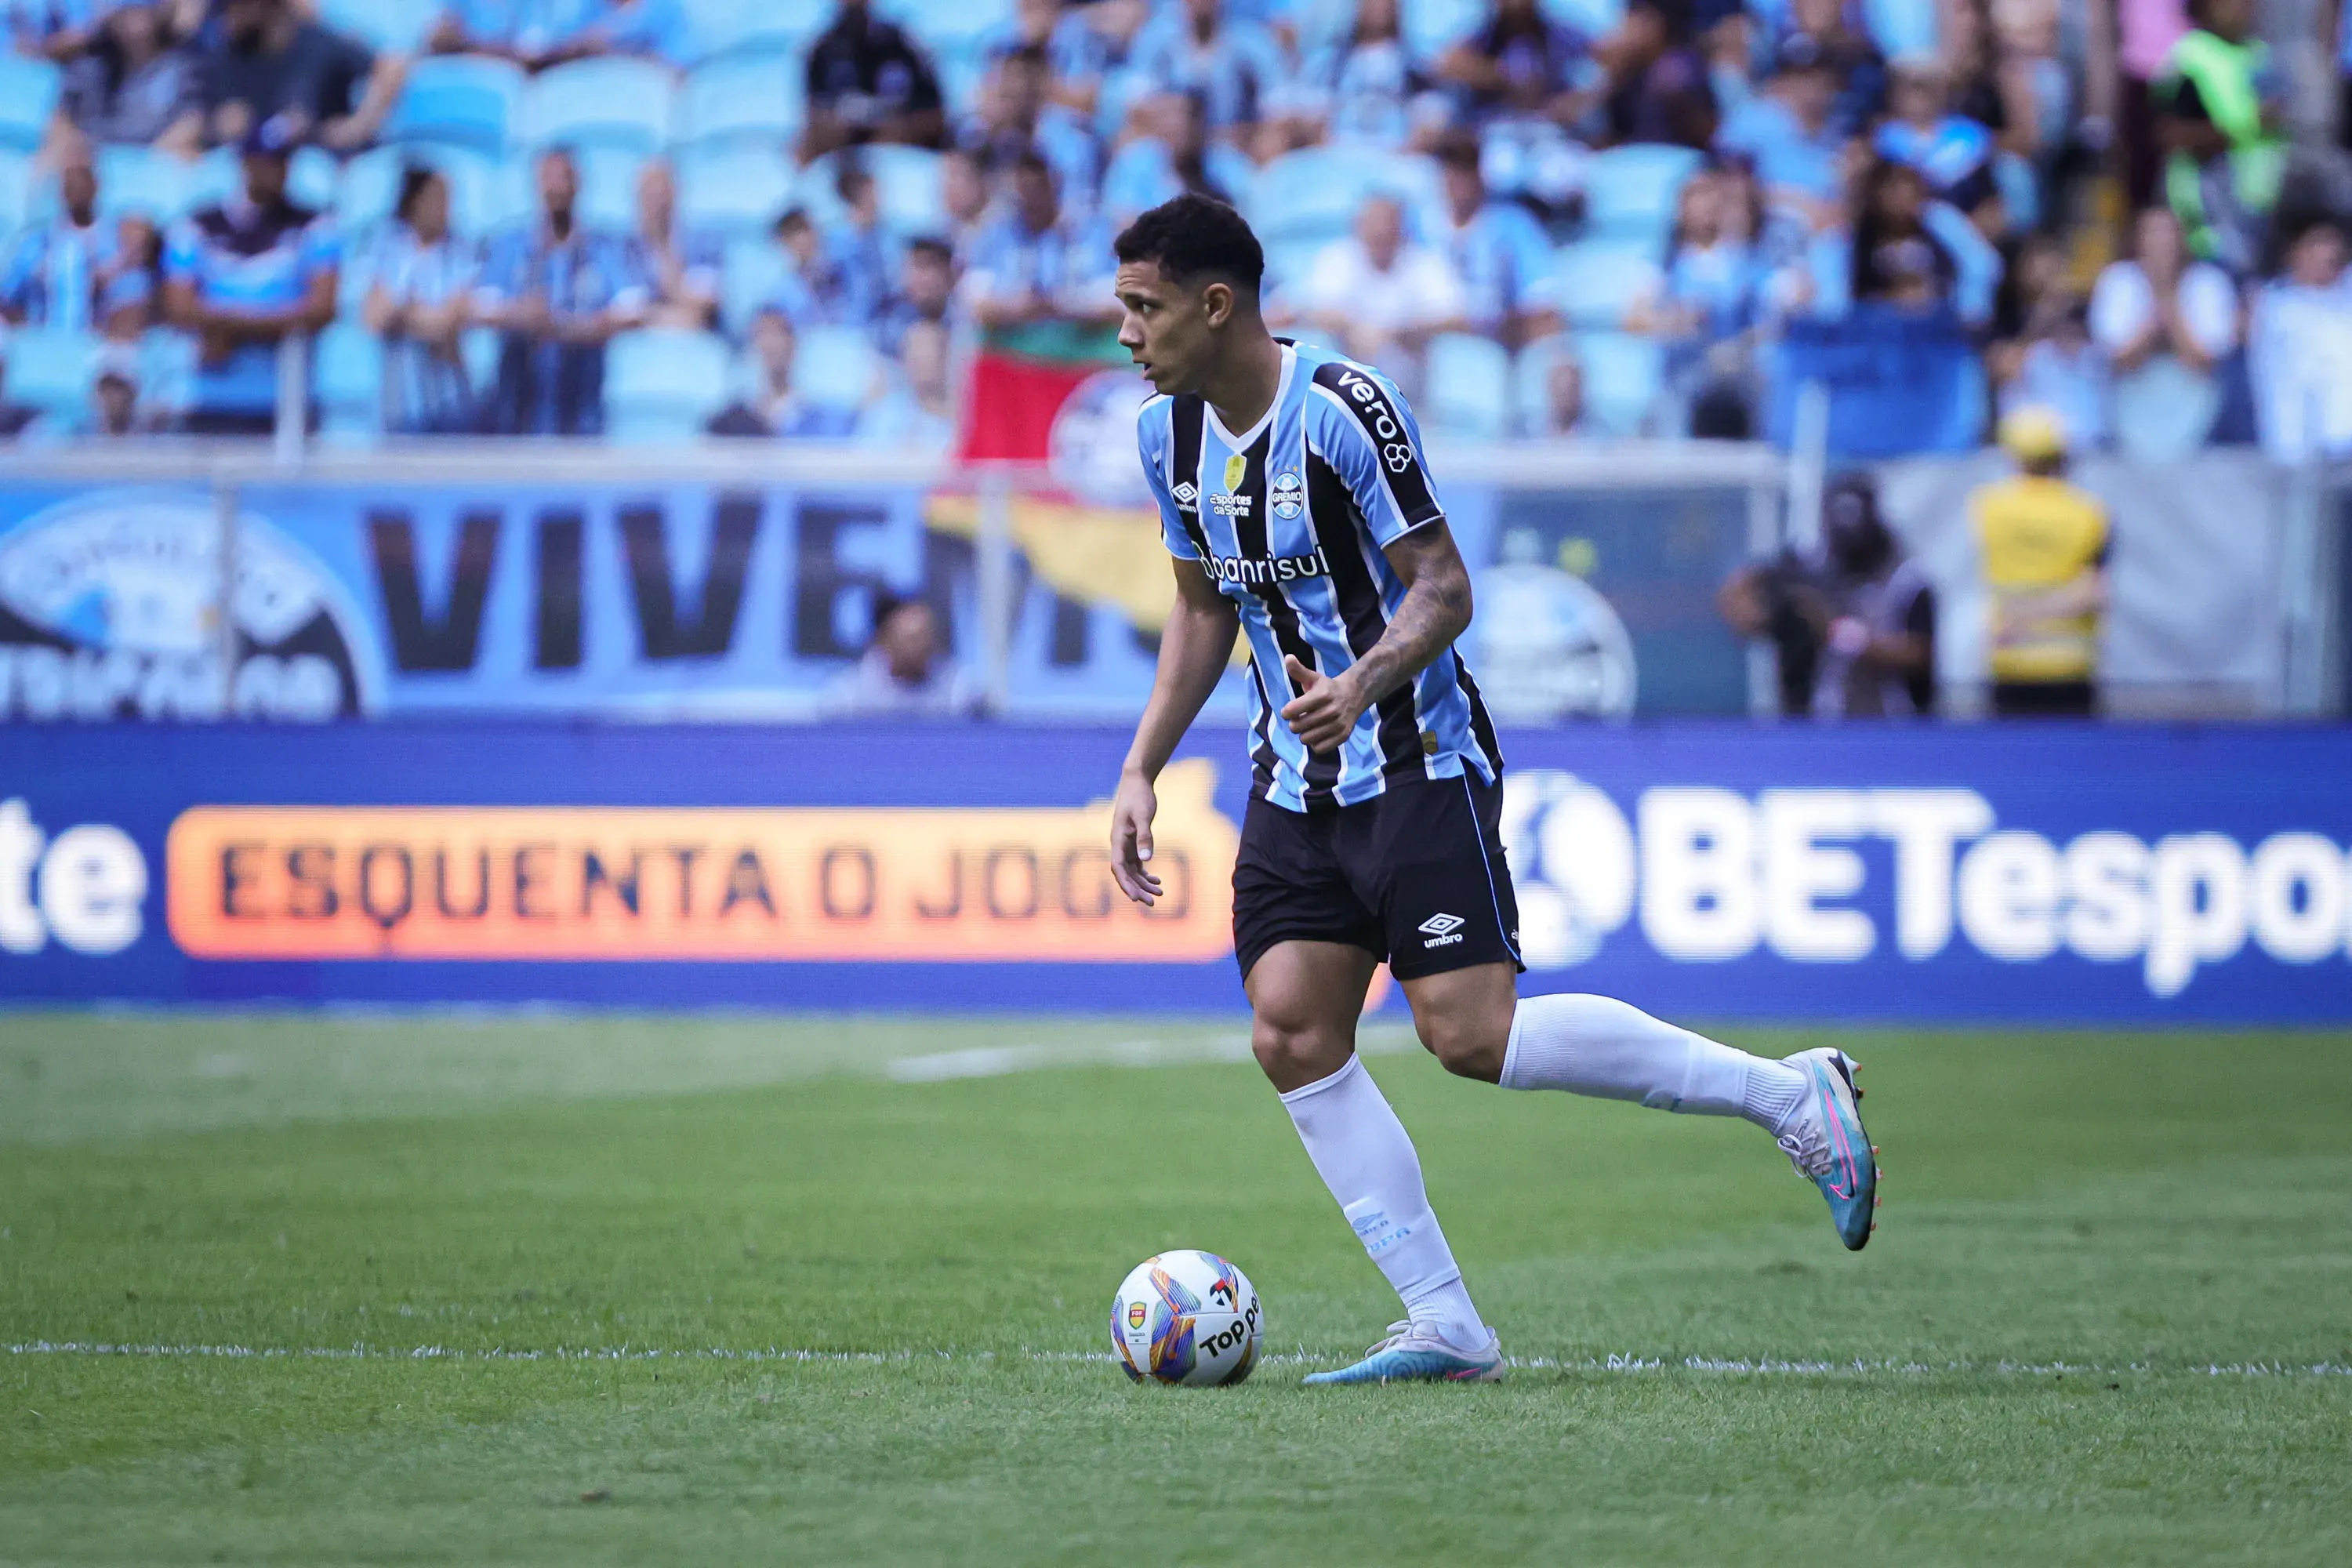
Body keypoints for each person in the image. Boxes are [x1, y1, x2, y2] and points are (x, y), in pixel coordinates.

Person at [1107, 194, 1878, 1387]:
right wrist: (1141, 768)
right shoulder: (1163, 437)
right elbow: (1205, 608)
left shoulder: (1346, 413)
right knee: (1292, 1030)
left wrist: (1360, 685)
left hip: (1416, 753)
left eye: (1142, 307)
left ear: (1217, 305)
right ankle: (1446, 1324)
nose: (1125, 333)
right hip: (1293, 775)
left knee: (1470, 1034)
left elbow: (1445, 588)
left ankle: (1787, 1096)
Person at [161, 118, 339, 435]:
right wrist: (275, 321)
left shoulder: (314, 226)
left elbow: (321, 308)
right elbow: (178, 307)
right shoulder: (198, 225)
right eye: (267, 163)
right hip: (207, 391)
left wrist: (226, 328)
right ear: (246, 164)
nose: (277, 172)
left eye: (283, 162)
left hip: (285, 396)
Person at [1717, 471, 1937, 717]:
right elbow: (1747, 588)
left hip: (1890, 721)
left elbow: (1921, 654)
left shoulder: (1906, 579)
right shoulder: (1811, 565)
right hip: (1817, 719)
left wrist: (1840, 633)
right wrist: (1747, 604)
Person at [474, 147, 647, 437]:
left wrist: (573, 328)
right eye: (547, 179)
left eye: (563, 178)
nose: (556, 189)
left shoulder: (602, 248)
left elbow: (633, 310)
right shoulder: (511, 246)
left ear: (578, 184)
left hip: (583, 406)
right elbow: (480, 308)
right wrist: (521, 315)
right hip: (518, 407)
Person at [1970, 405, 2111, 717]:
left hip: (2007, 658)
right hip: (2071, 665)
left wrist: (2017, 621)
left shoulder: (1988, 507)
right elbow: (2095, 591)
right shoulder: (2089, 512)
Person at [2150, 0, 2284, 271]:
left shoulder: (2259, 53)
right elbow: (2172, 133)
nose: (2242, 7)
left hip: (2256, 216)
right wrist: (2246, 125)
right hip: (2208, 222)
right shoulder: (2191, 57)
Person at [1294, 193, 1470, 396]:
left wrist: (1397, 333)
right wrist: (1354, 327)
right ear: (1359, 226)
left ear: (1401, 227)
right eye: (1373, 223)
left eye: (1387, 223)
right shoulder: (1338, 258)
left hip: (1414, 391)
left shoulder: (1425, 263)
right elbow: (1315, 310)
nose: (1380, 231)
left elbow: (1457, 318)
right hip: (1344, 392)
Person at [191, 0, 403, 154]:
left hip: (317, 163)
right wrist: (218, 127)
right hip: (250, 168)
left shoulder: (317, 43)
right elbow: (199, 126)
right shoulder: (227, 55)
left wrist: (358, 126)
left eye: (238, 5)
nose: (229, 17)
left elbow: (390, 67)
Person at [362, 165, 476, 435]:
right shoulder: (388, 250)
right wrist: (428, 315)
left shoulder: (462, 251)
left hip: (451, 403)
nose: (445, 207)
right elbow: (375, 319)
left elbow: (451, 322)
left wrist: (406, 314)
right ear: (415, 201)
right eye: (437, 198)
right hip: (400, 405)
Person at [0, 141, 153, 339]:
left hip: (98, 347)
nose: (77, 185)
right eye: (69, 177)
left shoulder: (121, 242)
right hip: (39, 344)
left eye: (83, 175)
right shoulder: (36, 242)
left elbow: (130, 301)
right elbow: (7, 298)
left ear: (97, 182)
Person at [959, 151, 1118, 336]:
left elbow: (1116, 303)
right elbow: (975, 303)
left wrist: (1065, 304)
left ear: (1054, 185)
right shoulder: (996, 236)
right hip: (1016, 345)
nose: (1031, 197)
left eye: (1038, 187)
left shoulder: (1089, 233)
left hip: (1080, 346)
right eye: (1023, 188)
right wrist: (1019, 307)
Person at [1432, 134, 1560, 350]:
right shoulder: (1420, 225)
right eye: (1450, 169)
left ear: (1480, 174)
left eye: (1466, 169)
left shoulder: (1513, 224)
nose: (1457, 179)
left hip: (1494, 344)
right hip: (1428, 344)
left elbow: (1542, 301)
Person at [2247, 215, 2352, 461]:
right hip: (2299, 451)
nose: (2327, 255)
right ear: (2295, 253)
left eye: (2333, 248)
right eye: (2317, 245)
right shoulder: (2272, 307)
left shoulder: (2345, 297)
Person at [802, 0, 946, 159]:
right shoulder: (821, 50)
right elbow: (814, 121)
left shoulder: (907, 45)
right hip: (843, 162)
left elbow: (936, 118)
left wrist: (892, 125)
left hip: (905, 158)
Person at [826, 591, 980, 716]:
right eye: (912, 639)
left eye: (927, 635)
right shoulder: (849, 698)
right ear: (884, 640)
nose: (923, 645)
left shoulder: (958, 692)